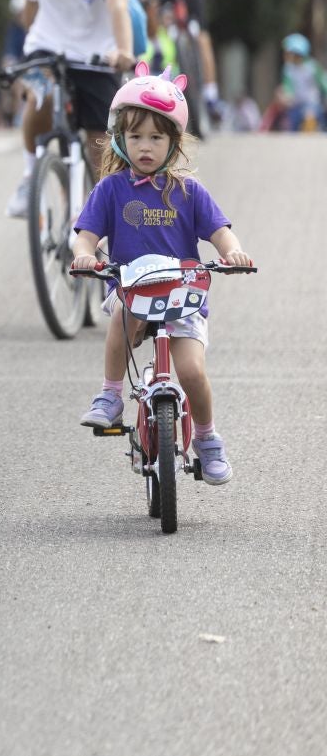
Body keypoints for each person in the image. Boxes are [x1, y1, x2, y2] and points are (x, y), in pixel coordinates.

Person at [71, 67, 251, 484]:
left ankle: (207, 439)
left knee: (191, 372)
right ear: (121, 139)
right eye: (136, 137)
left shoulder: (189, 192)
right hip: (133, 290)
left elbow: (222, 234)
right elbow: (85, 237)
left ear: (174, 142)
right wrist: (84, 256)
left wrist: (234, 252)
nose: (145, 147)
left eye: (156, 137)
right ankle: (111, 395)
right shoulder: (111, 190)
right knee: (120, 318)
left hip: (182, 295)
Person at [3, 0, 135, 218]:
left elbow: (118, 6)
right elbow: (30, 5)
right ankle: (31, 175)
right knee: (39, 97)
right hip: (47, 43)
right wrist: (30, 49)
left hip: (96, 53)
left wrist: (123, 51)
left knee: (100, 149)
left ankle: (105, 220)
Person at [272, 33, 325, 132]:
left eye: (289, 52)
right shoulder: (288, 69)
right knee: (291, 125)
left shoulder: (312, 67)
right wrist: (285, 95)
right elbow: (288, 86)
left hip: (311, 104)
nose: (286, 55)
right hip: (295, 105)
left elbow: (324, 83)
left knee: (309, 117)